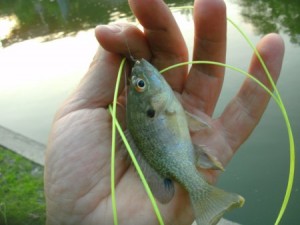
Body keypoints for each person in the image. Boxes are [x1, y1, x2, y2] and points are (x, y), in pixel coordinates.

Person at [44, 0, 285, 224]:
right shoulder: (159, 105)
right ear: (151, 103)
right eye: (140, 85)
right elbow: (184, 123)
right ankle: (203, 196)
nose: (141, 76)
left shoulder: (161, 105)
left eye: (139, 84)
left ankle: (205, 198)